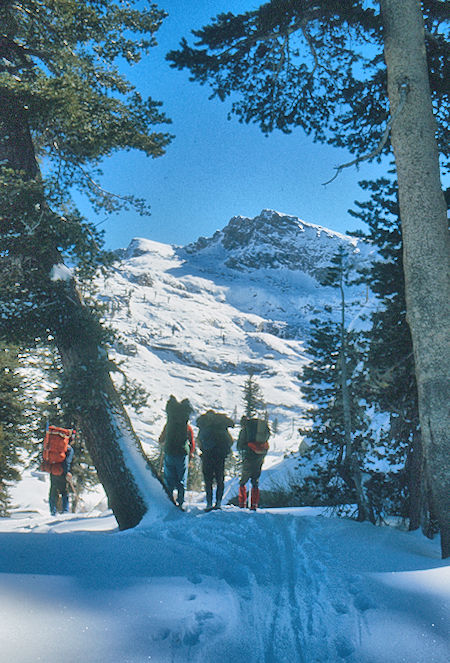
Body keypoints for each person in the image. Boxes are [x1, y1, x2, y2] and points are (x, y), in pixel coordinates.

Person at [160, 396, 195, 510]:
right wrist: (191, 454)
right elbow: (192, 442)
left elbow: (161, 439)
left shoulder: (168, 424)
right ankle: (180, 503)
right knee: (181, 480)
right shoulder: (187, 427)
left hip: (169, 452)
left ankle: (169, 502)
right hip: (182, 453)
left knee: (169, 479)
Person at [197, 410, 234, 511]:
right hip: (219, 457)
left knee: (208, 481)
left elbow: (199, 441)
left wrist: (204, 450)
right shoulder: (222, 427)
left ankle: (209, 503)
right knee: (219, 480)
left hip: (207, 456)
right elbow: (230, 441)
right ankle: (218, 503)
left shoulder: (204, 426)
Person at [237, 416, 270, 510]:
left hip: (248, 457)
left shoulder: (244, 431)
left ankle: (242, 503)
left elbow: (240, 446)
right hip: (260, 456)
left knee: (243, 481)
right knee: (255, 480)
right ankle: (254, 504)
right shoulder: (258, 431)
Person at [49, 433, 74, 516]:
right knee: (64, 492)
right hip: (62, 472)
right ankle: (65, 511)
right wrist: (67, 472)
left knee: (53, 491)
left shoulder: (54, 447)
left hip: (53, 470)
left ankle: (53, 511)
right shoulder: (69, 449)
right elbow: (67, 462)